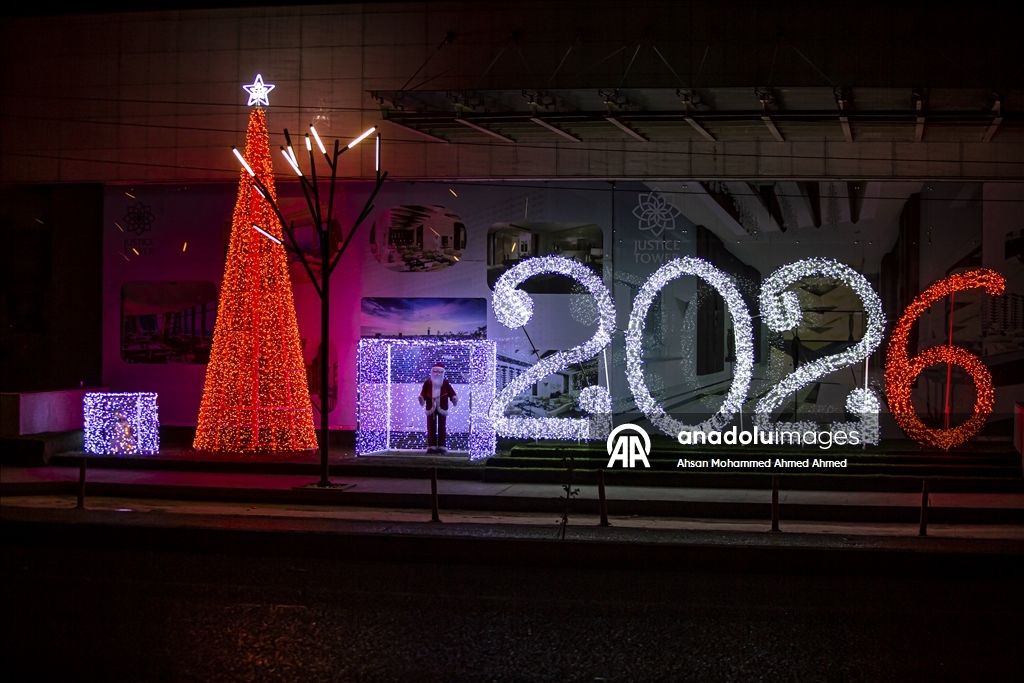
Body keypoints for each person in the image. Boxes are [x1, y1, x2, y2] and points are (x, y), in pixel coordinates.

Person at [418, 362, 457, 453]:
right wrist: (422, 398)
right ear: (432, 372)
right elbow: (423, 392)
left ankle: (442, 446)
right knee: (430, 426)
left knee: (442, 426)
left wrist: (453, 397)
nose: (437, 373)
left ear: (442, 372)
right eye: (435, 371)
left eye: (439, 372)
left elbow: (451, 392)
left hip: (442, 407)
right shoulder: (428, 382)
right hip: (430, 407)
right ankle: (431, 445)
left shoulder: (445, 382)